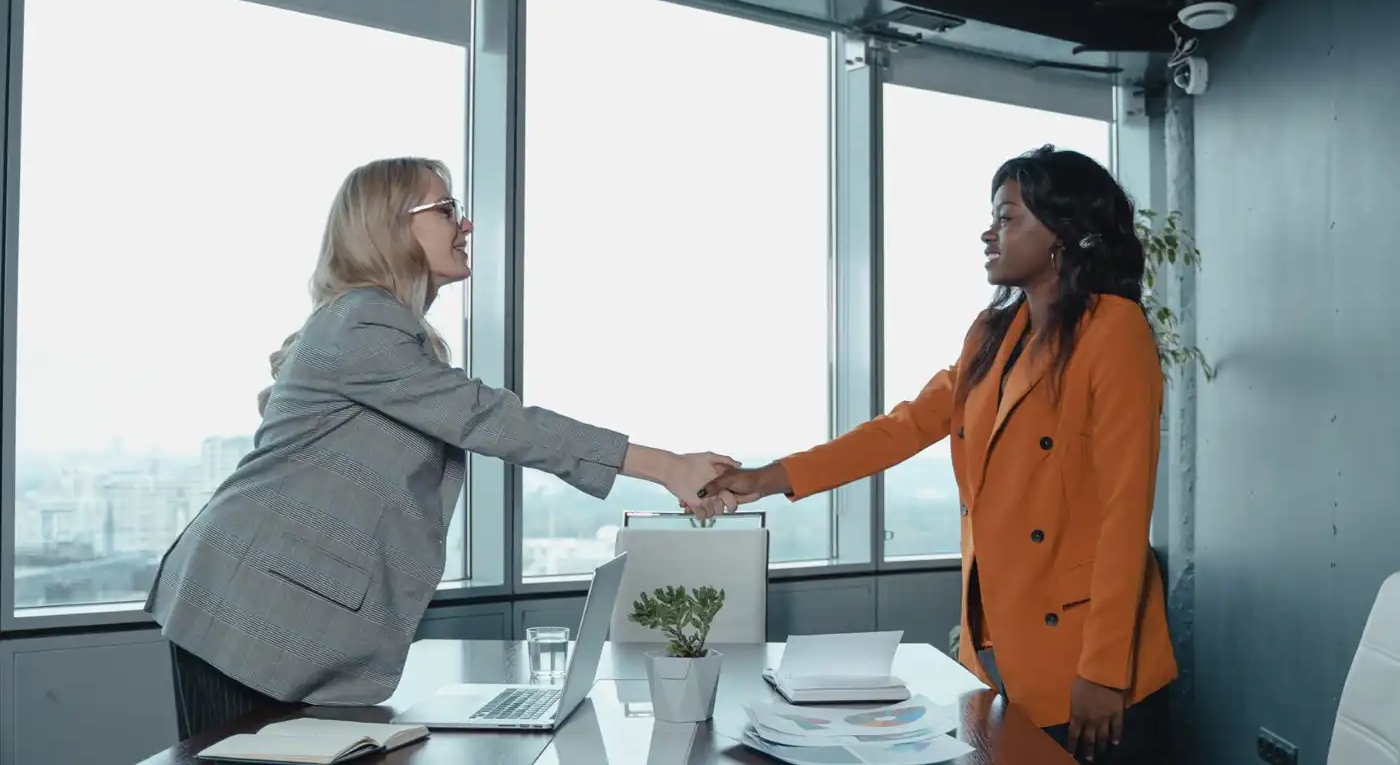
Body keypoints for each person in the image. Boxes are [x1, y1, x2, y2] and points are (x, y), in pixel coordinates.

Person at [145, 156, 740, 740]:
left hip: (279, 609)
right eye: (447, 207)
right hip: (247, 608)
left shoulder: (381, 328)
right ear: (392, 225)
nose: (466, 224)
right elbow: (493, 418)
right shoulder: (364, 323)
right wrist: (666, 465)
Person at [698, 145, 1176, 764]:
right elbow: (901, 428)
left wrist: (1105, 670)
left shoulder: (1114, 331)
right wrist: (770, 477)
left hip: (1089, 656)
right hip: (997, 644)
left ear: (1063, 234)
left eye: (1007, 217)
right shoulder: (991, 333)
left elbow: (1124, 512)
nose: (989, 232)